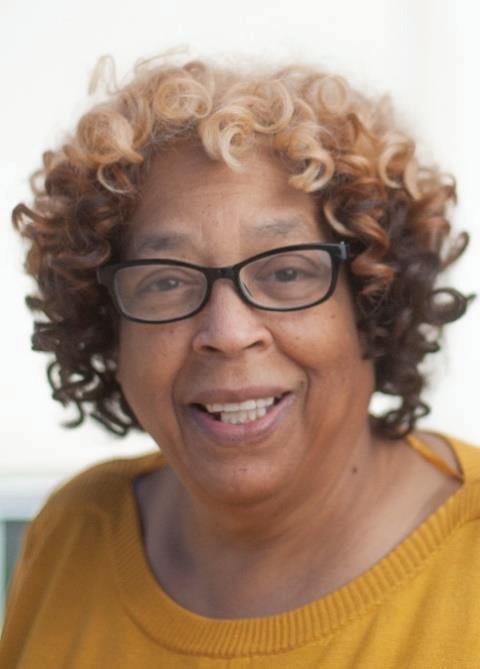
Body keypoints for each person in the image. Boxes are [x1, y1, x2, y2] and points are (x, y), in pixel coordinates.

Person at [1, 53, 479, 668]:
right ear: (109, 330)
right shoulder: (73, 534)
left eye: (286, 272)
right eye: (166, 281)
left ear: (373, 307)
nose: (227, 334)